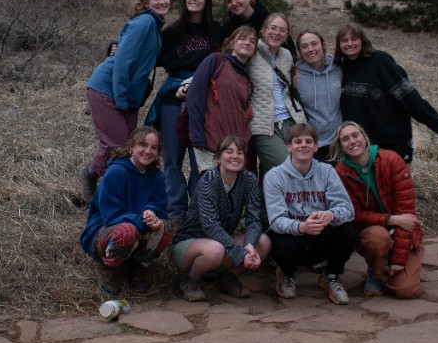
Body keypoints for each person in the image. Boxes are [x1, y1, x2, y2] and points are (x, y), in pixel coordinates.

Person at [81, 0, 169, 202]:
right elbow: (123, 60)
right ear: (146, 3)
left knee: (128, 145)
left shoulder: (155, 26)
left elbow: (129, 48)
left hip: (128, 95)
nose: (162, 2)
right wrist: (120, 97)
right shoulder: (146, 22)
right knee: (120, 147)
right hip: (107, 89)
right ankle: (112, 198)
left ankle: (92, 174)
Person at [263, 122, 358, 305]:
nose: (303, 145)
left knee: (348, 233)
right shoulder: (275, 176)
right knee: (281, 243)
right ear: (289, 146)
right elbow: (275, 220)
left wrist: (330, 215)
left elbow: (347, 209)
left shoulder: (327, 171)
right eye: (298, 141)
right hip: (293, 236)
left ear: (316, 146)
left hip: (320, 235)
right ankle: (287, 273)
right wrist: (301, 226)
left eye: (309, 141)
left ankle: (331, 275)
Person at [150, 0, 220, 225]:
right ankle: (175, 211)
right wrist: (114, 48)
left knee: (199, 157)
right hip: (173, 98)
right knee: (172, 157)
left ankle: (198, 210)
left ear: (206, 1)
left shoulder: (216, 31)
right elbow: (147, 50)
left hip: (204, 100)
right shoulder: (172, 32)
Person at [170, 135, 269, 301]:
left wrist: (249, 245)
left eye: (239, 152)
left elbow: (254, 219)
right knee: (215, 249)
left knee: (263, 242)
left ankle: (227, 277)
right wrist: (239, 252)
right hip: (189, 245)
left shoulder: (249, 180)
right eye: (229, 151)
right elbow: (210, 226)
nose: (235, 156)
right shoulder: (209, 179)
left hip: (222, 244)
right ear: (217, 158)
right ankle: (190, 280)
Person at [334, 121, 425, 299]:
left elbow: (406, 214)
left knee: (405, 291)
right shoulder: (340, 173)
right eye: (345, 139)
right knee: (376, 237)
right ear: (341, 147)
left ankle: (397, 263)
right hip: (373, 231)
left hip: (403, 231)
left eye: (355, 135)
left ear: (365, 138)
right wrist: (391, 220)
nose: (352, 141)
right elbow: (356, 216)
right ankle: (375, 272)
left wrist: (398, 260)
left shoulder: (392, 160)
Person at [335, 22, 438, 163]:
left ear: (362, 41)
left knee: (399, 182)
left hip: (393, 137)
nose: (349, 43)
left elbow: (407, 95)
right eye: (344, 40)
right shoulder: (339, 68)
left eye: (354, 39)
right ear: (339, 45)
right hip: (364, 143)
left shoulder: (380, 60)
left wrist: (437, 123)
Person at [78, 126, 172, 297]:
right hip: (104, 230)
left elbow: (159, 204)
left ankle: (136, 265)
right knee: (127, 231)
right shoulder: (116, 172)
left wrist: (152, 215)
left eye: (154, 147)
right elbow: (112, 216)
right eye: (143, 145)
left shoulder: (156, 176)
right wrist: (142, 220)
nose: (148, 151)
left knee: (164, 229)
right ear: (132, 147)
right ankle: (109, 267)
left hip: (137, 225)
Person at [185, 25, 256, 174]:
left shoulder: (248, 80)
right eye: (242, 38)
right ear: (231, 44)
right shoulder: (216, 61)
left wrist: (245, 139)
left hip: (235, 147)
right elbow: (194, 95)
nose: (247, 42)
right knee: (210, 188)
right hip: (210, 140)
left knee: (232, 191)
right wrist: (196, 134)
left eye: (252, 41)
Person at [248, 13, 305, 174]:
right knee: (287, 166)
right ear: (264, 30)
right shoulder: (251, 51)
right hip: (263, 123)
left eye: (282, 30)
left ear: (286, 35)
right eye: (273, 28)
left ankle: (266, 200)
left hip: (289, 119)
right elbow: (228, 66)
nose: (276, 33)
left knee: (273, 173)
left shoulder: (286, 55)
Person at [294, 29, 342, 161]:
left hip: (339, 142)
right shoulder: (295, 73)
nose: (310, 49)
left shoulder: (338, 67)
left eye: (314, 43)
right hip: (312, 144)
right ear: (300, 51)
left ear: (323, 45)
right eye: (304, 46)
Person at [220, 0, 295, 58]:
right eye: (229, 1)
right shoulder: (227, 28)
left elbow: (291, 53)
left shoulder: (272, 21)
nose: (234, 3)